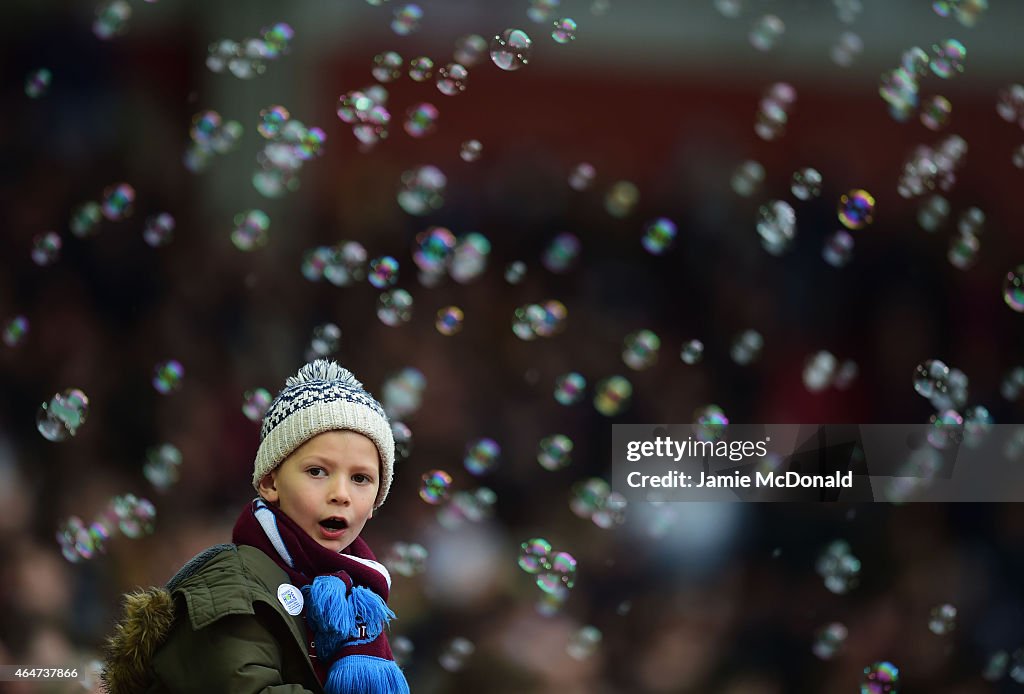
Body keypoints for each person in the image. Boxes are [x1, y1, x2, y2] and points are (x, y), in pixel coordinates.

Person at [101, 359, 411, 693]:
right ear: (269, 482)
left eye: (361, 478)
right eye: (317, 471)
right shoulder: (230, 583)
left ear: (377, 499)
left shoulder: (360, 599)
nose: (341, 494)